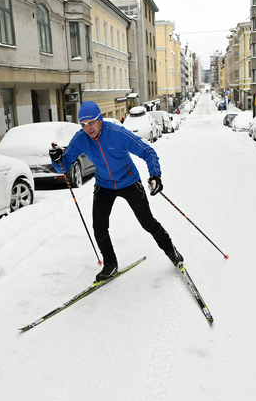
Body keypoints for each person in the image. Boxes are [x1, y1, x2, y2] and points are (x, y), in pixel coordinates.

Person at [49, 101, 183, 283]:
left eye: (91, 123)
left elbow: (147, 152)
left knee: (147, 222)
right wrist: (57, 160)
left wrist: (155, 175)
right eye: (83, 124)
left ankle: (171, 250)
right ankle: (110, 264)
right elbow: (64, 168)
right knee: (99, 227)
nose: (88, 128)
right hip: (104, 184)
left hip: (129, 181)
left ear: (100, 120)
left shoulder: (118, 134)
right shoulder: (80, 138)